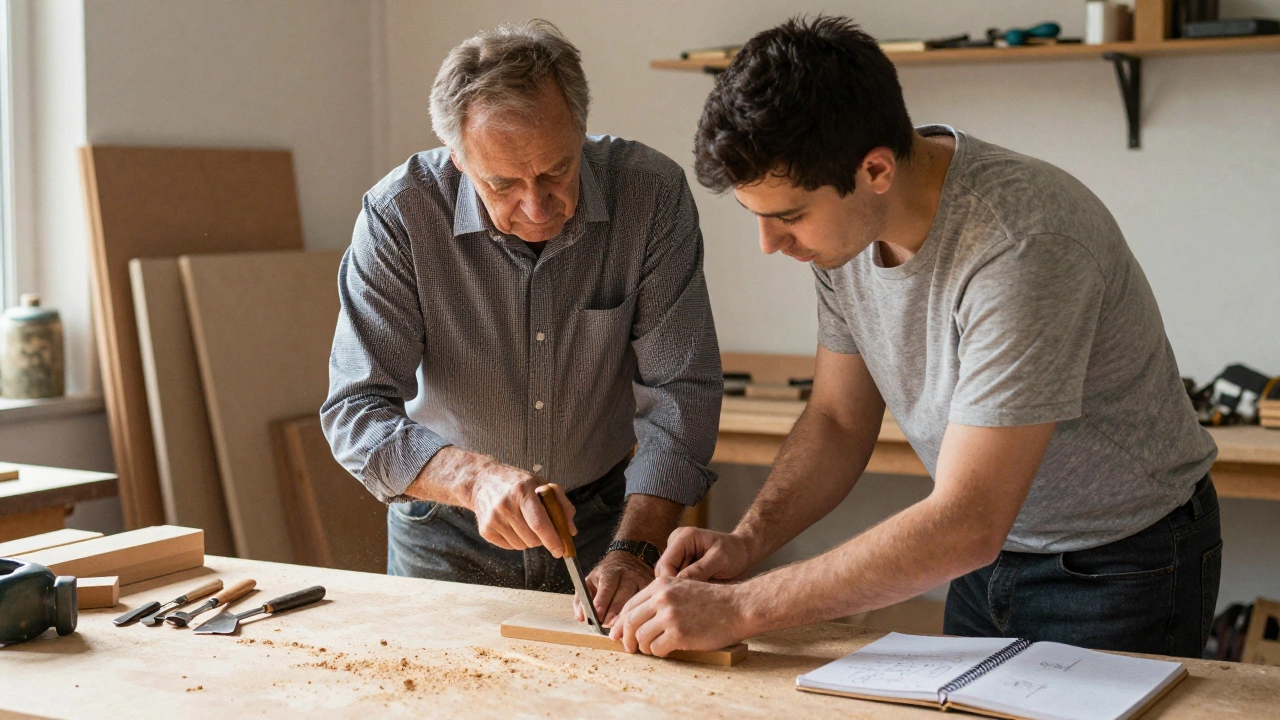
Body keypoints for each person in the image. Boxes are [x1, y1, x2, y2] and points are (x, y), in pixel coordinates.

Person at [611, 16, 1221, 660]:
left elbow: (966, 520)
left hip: (1119, 563)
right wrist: (748, 541)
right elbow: (839, 421)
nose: (770, 244)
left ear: (875, 169)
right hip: (985, 555)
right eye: (757, 217)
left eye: (788, 216)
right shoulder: (842, 238)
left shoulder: (1022, 247)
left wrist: (741, 608)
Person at [321, 19, 721, 628]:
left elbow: (681, 394)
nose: (537, 208)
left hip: (605, 524)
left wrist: (636, 549)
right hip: (443, 533)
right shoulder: (400, 215)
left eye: (557, 171)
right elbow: (356, 409)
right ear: (456, 158)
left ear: (581, 133)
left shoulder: (650, 196)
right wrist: (472, 478)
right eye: (502, 183)